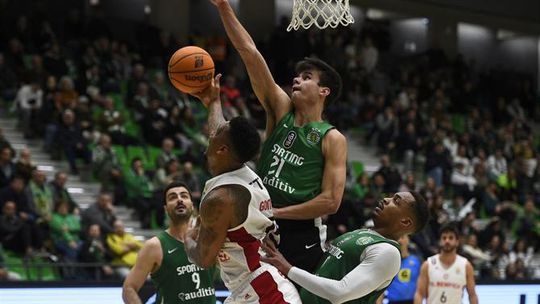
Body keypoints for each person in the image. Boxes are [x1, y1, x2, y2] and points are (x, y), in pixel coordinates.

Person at [211, 0, 348, 273]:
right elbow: (249, 53)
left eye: (307, 77)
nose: (297, 80)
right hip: (260, 221)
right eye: (297, 76)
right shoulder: (281, 109)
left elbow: (330, 202)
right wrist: (224, 6)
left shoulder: (332, 138)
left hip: (300, 233)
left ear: (324, 91)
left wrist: (277, 213)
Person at [185, 75, 301, 303]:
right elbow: (218, 128)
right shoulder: (238, 170)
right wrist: (213, 102)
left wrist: (187, 238)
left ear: (222, 150)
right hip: (259, 286)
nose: (212, 131)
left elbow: (204, 258)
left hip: (264, 293)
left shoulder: (222, 198)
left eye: (217, 133)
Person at [262, 191, 430, 304]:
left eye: (396, 202)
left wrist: (287, 268)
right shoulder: (364, 233)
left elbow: (340, 292)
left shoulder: (388, 252)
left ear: (405, 222)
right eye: (391, 196)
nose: (386, 199)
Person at [123, 181, 216, 304]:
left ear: (192, 205)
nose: (179, 200)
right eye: (173, 197)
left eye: (184, 196)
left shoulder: (208, 238)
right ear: (166, 208)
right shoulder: (155, 246)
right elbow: (128, 289)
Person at [414, 225, 478, 304]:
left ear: (457, 242)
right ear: (440, 241)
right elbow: (419, 294)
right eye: (444, 238)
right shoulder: (428, 264)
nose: (447, 241)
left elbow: (472, 295)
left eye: (451, 238)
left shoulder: (466, 266)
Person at [377, 235, 422, 304]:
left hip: (412, 301)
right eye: (397, 238)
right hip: (392, 301)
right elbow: (380, 287)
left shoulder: (416, 261)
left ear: (408, 240)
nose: (399, 241)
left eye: (402, 237)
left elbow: (421, 287)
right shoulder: (388, 262)